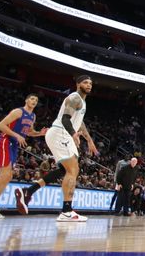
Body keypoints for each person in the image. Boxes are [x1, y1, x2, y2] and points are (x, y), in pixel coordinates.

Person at [15, 75, 99, 222]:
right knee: (73, 170)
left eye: (90, 83)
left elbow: (80, 123)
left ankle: (28, 191)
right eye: (85, 82)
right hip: (61, 132)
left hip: (62, 134)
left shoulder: (82, 102)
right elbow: (66, 119)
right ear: (78, 84)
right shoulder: (74, 98)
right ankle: (66, 211)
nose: (89, 85)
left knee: (64, 170)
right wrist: (73, 134)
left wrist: (90, 141)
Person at [0, 94, 46, 218]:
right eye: (32, 99)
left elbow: (29, 132)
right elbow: (0, 126)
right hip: (5, 141)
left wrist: (39, 134)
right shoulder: (18, 112)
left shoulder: (33, 116)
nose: (34, 101)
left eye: (36, 100)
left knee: (8, 176)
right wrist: (16, 135)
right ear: (26, 100)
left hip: (14, 145)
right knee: (5, 175)